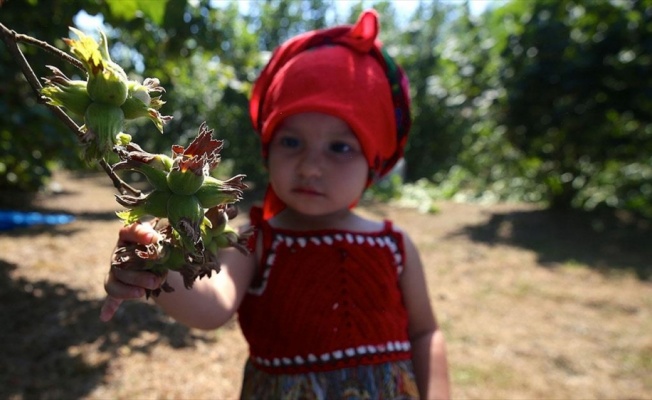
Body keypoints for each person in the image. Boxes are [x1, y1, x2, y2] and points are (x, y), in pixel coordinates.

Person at [102, 9, 450, 400]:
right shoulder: (255, 242)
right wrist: (154, 264)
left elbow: (425, 331)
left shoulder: (394, 246)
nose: (311, 167)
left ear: (373, 162)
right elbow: (212, 306)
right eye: (291, 141)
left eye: (339, 147)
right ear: (267, 150)